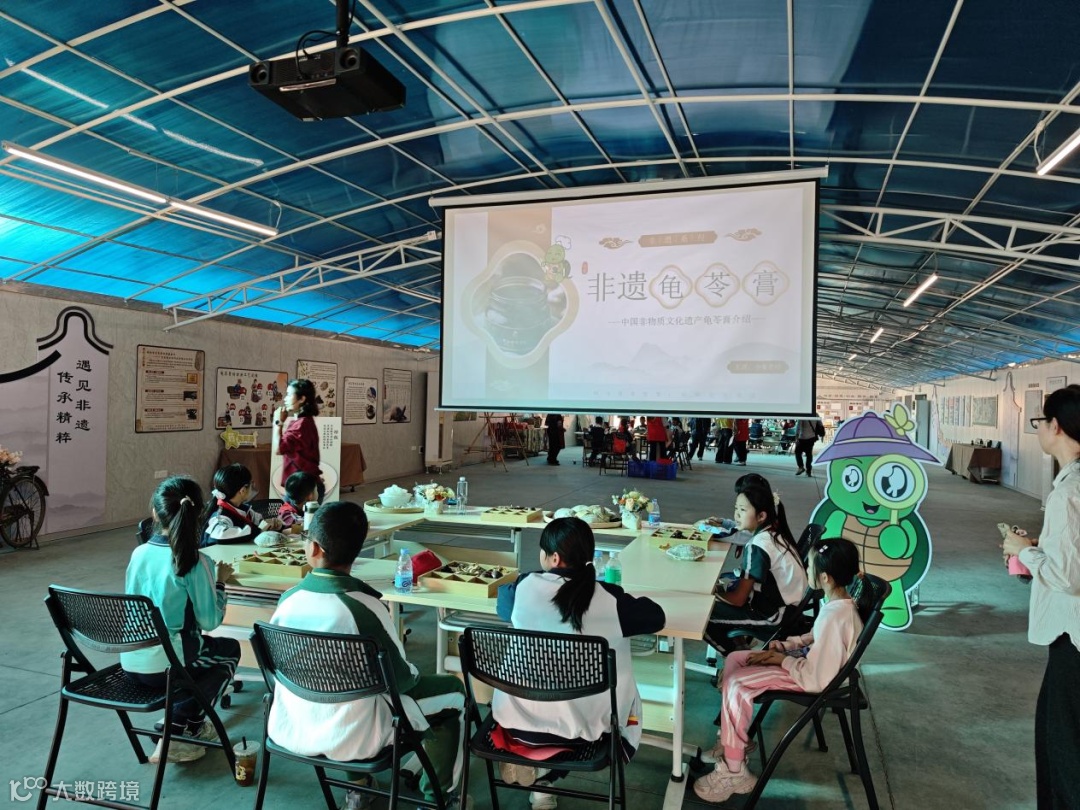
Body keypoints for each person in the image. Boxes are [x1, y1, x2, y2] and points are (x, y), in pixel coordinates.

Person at [268, 501, 466, 809]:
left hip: (292, 721)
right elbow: (402, 681)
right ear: (357, 550)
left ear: (314, 548)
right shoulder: (364, 607)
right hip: (357, 732)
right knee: (453, 692)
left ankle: (358, 788)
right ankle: (439, 798)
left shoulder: (288, 600)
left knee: (344, 688)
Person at [493, 517, 666, 809]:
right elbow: (656, 617)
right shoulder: (609, 598)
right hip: (587, 732)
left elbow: (502, 603)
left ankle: (540, 774)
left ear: (554, 558)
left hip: (517, 722)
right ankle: (545, 776)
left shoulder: (524, 588)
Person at [693, 537, 871, 803]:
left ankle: (734, 770)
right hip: (807, 663)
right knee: (736, 659)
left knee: (738, 684)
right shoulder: (837, 603)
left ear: (825, 577)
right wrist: (787, 645)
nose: (806, 570)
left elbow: (817, 678)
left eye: (809, 566)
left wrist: (781, 660)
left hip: (812, 677)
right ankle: (735, 742)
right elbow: (815, 636)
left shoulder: (836, 617)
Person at [121, 477, 240, 764]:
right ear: (198, 514)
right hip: (169, 666)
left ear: (155, 513)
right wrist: (220, 583)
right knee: (228, 651)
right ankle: (177, 729)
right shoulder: (195, 562)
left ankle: (188, 725)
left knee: (198, 655)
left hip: (131, 661)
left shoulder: (139, 553)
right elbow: (210, 621)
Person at [1002, 384, 1080, 808]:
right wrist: (1037, 549)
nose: (1039, 430)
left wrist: (1024, 551)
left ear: (1057, 426)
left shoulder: (1069, 492)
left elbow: (1068, 576)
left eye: (1041, 421)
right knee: (1056, 738)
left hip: (1072, 637)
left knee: (1063, 750)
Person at [703, 477, 808, 654]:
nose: (737, 515)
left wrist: (709, 594)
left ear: (761, 516)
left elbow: (738, 599)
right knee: (720, 593)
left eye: (743, 510)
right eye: (736, 508)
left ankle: (737, 658)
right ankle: (740, 647)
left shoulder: (758, 545)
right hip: (789, 611)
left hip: (775, 617)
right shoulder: (774, 533)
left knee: (703, 613)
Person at [201, 463, 281, 546]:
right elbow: (219, 536)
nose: (253, 487)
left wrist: (272, 525)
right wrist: (258, 530)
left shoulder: (245, 509)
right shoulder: (220, 515)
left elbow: (259, 523)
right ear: (243, 490)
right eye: (251, 484)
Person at [275, 378, 323, 500]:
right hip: (301, 486)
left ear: (302, 399)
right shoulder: (303, 422)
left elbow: (278, 449)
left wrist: (278, 422)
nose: (285, 399)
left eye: (289, 394)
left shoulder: (301, 424)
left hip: (304, 489)